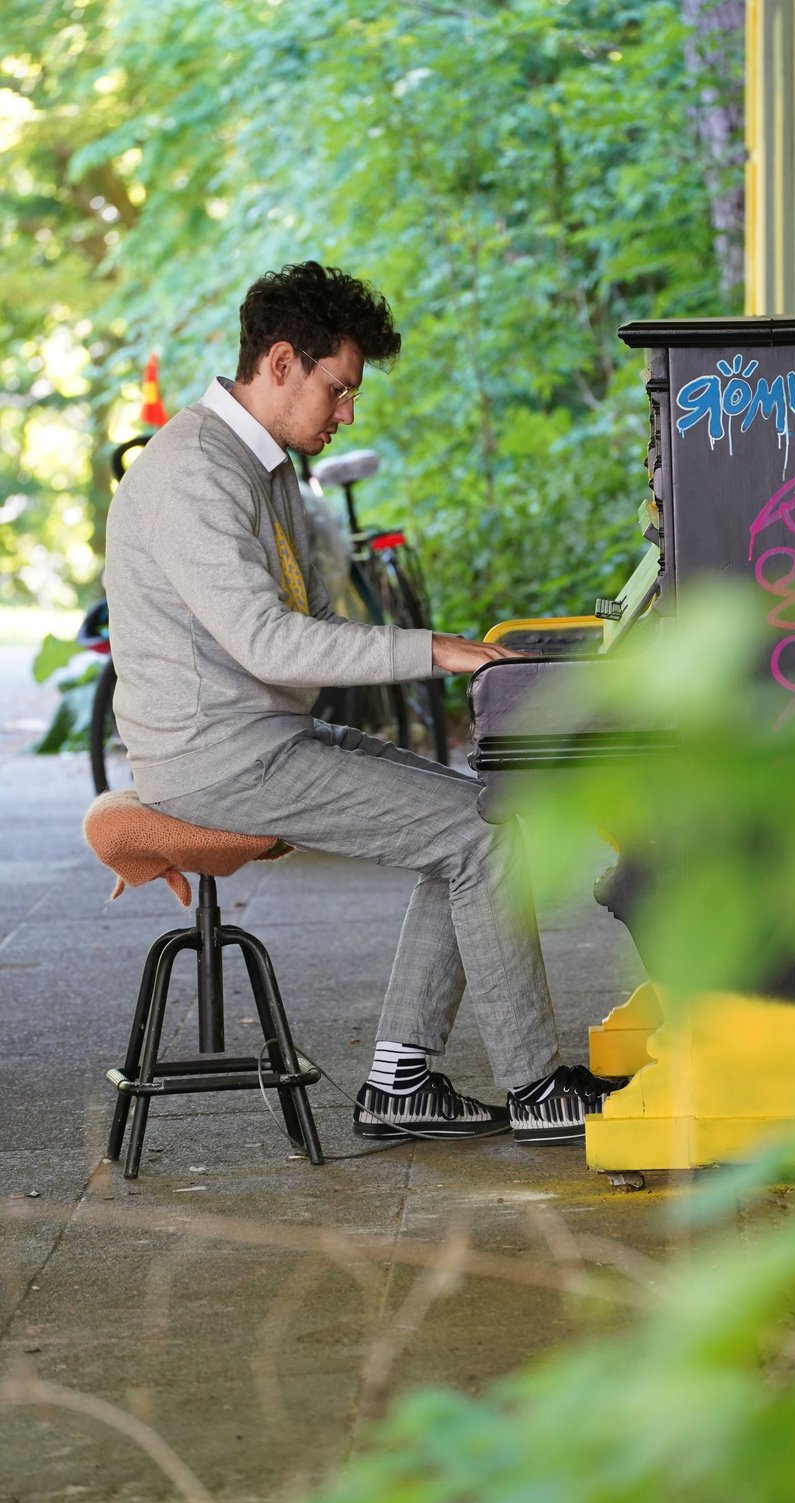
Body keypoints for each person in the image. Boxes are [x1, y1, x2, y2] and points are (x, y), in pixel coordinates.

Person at [104, 260, 623, 1147]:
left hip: (264, 733)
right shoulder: (196, 471)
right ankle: (536, 1087)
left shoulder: (262, 465)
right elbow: (268, 640)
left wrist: (450, 651)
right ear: (279, 364)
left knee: (477, 818)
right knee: (481, 837)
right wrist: (431, 651)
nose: (349, 412)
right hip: (219, 759)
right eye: (338, 389)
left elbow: (312, 619)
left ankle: (400, 1082)